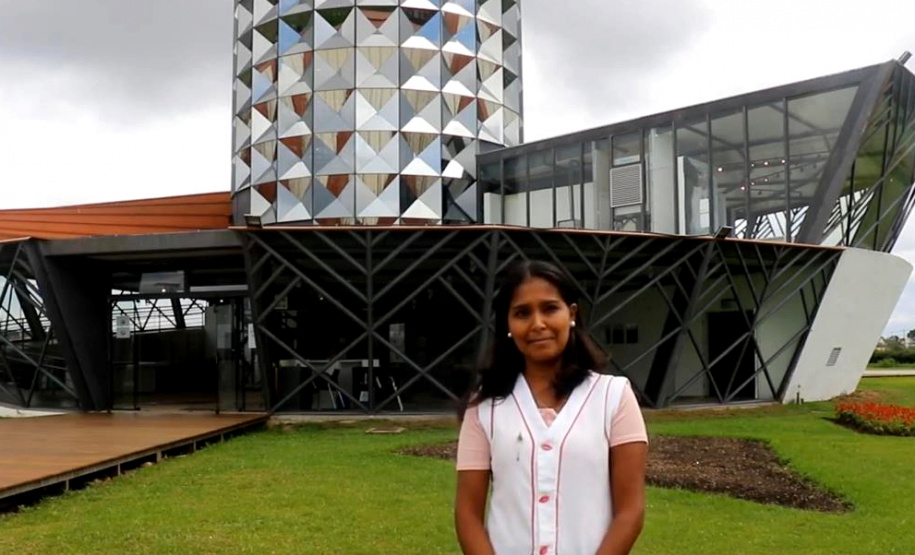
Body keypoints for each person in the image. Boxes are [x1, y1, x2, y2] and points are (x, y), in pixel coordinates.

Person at [454, 260, 648, 555]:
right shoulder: (484, 407)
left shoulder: (613, 396)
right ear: (508, 324)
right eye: (522, 313)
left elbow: (630, 511)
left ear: (571, 314)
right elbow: (467, 514)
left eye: (549, 308)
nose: (537, 324)